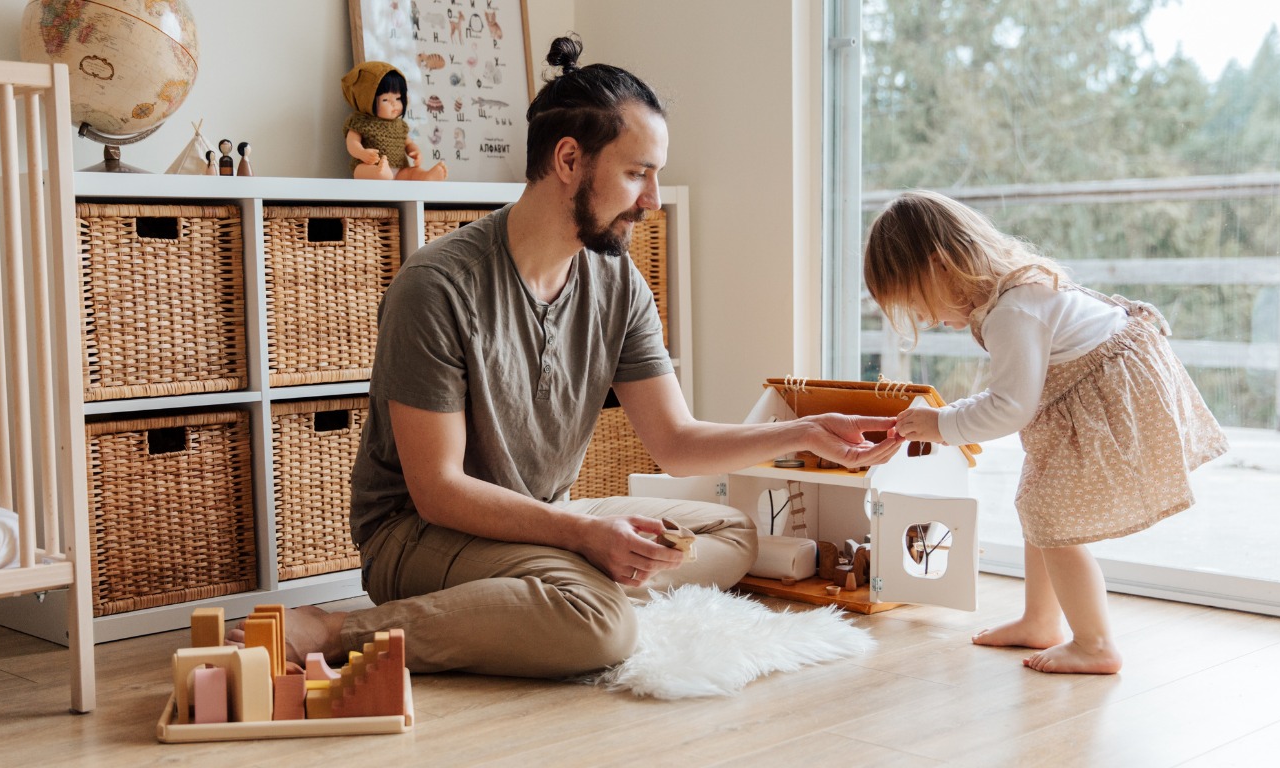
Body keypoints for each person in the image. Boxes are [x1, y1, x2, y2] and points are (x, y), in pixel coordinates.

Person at [233, 35, 903, 679]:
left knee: (728, 534)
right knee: (602, 627)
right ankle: (337, 633)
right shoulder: (437, 286)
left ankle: (553, 593)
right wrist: (582, 539)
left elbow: (674, 442)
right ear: (568, 161)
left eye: (656, 176)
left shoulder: (617, 283)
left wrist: (807, 433)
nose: (652, 201)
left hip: (542, 517)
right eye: (638, 174)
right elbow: (438, 491)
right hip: (419, 534)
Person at [864, 189, 1229, 674]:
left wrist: (942, 423)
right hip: (1089, 397)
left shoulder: (1012, 312)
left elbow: (1010, 406)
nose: (929, 320)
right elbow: (1016, 395)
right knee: (1040, 506)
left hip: (1109, 405)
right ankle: (1040, 620)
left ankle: (1095, 644)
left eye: (921, 304)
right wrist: (949, 416)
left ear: (942, 266)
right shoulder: (1013, 291)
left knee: (1055, 522)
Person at [340, 60, 448, 181]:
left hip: (400, 171)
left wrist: (415, 151)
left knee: (413, 172)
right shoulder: (360, 122)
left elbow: (408, 143)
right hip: (371, 165)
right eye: (385, 100)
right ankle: (379, 173)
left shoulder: (400, 126)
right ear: (365, 101)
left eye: (398, 98)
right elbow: (352, 143)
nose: (394, 104)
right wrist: (362, 153)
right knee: (360, 170)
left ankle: (426, 177)